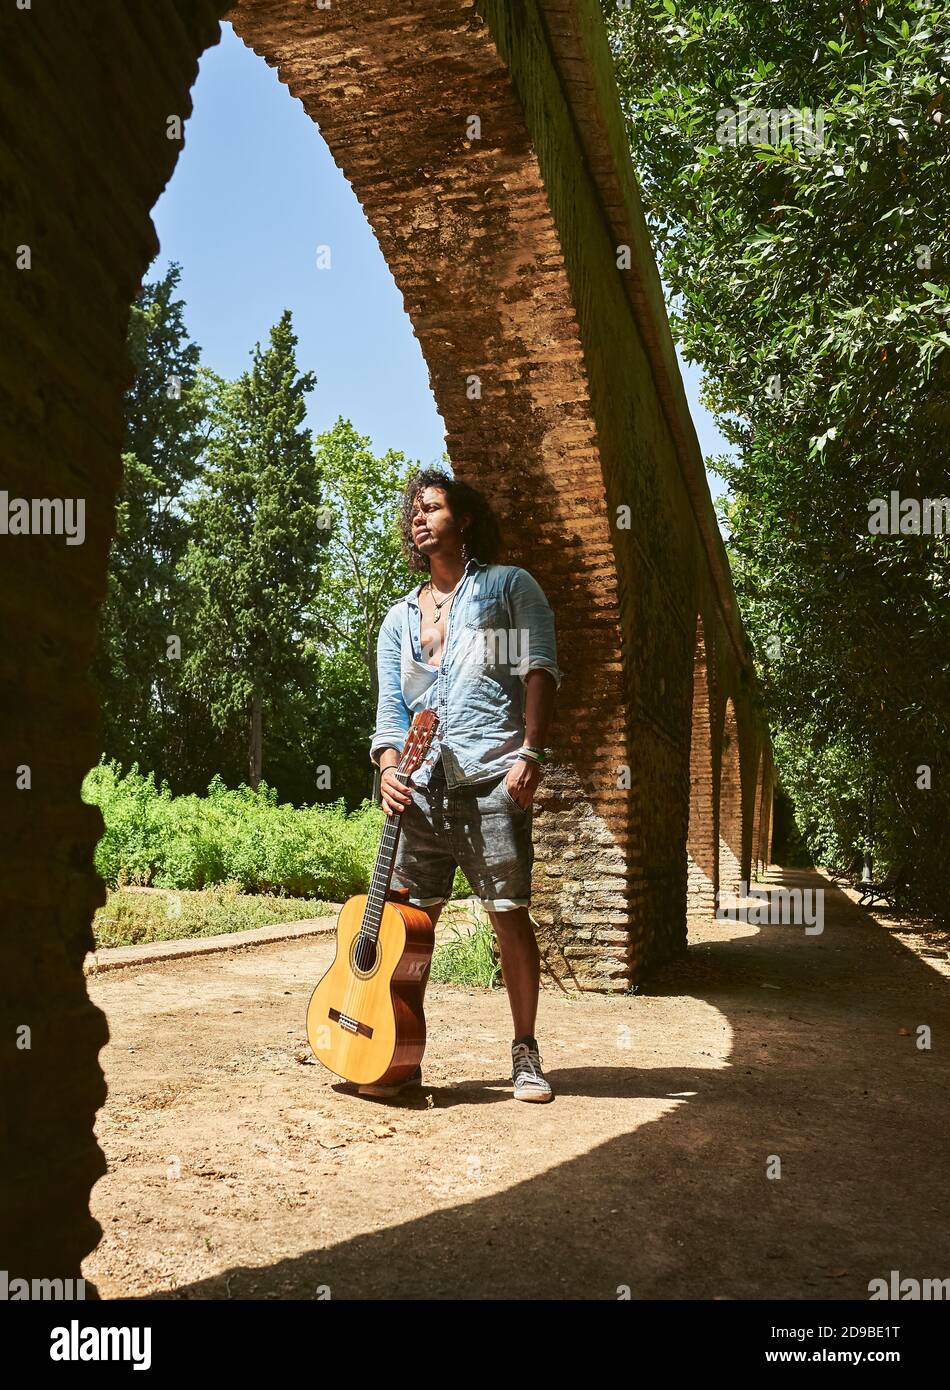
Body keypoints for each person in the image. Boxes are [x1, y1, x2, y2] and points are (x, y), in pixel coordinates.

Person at [368, 468, 562, 1102]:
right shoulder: (397, 620)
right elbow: (390, 713)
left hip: (488, 776)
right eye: (414, 512)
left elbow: (538, 667)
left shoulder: (508, 586)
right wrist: (390, 768)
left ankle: (526, 1052)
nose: (419, 519)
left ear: (465, 519)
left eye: (433, 508)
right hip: (418, 791)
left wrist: (530, 752)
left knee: (508, 915)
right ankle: (398, 1051)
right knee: (409, 926)